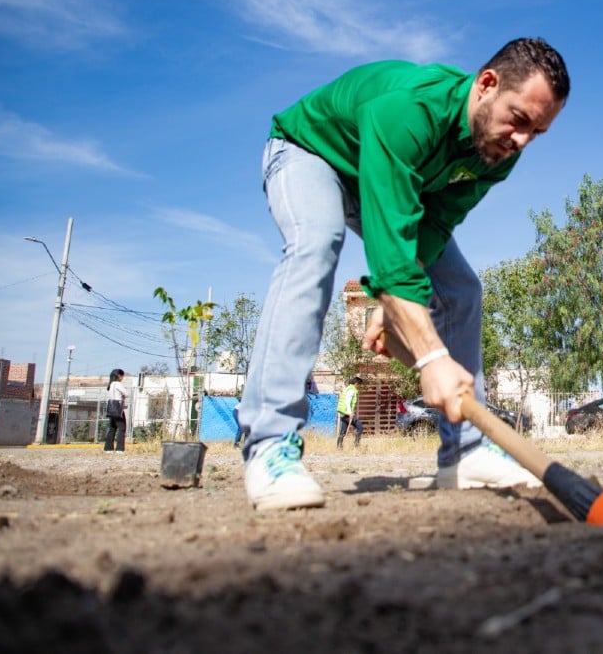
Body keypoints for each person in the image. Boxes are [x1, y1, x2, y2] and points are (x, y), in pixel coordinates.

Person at [236, 37, 569, 511]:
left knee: (460, 290)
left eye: (537, 131)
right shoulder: (409, 112)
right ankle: (269, 443)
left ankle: (466, 453)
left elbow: (433, 225)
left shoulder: (496, 152)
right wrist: (430, 356)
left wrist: (388, 309)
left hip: (381, 184)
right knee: (316, 242)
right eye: (519, 120)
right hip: (309, 154)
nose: (522, 141)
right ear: (487, 84)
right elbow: (392, 254)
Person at [336, 376, 364, 449]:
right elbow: (348, 402)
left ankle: (339, 446)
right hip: (347, 413)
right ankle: (356, 445)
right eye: (359, 384)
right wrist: (350, 412)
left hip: (343, 412)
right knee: (360, 427)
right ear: (356, 383)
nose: (359, 386)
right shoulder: (351, 390)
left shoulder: (348, 388)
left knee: (343, 431)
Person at [104, 369, 128, 453]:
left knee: (112, 428)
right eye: (122, 376)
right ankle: (119, 449)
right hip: (118, 407)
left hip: (111, 406)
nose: (122, 378)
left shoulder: (110, 384)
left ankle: (108, 448)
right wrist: (123, 396)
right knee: (122, 428)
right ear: (119, 376)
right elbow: (126, 393)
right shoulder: (118, 384)